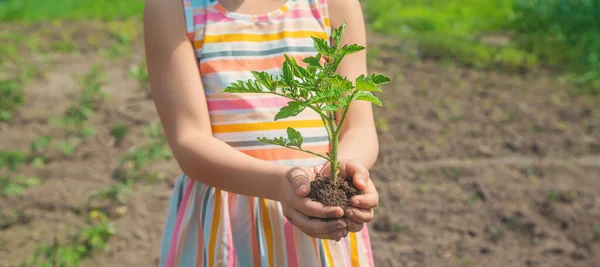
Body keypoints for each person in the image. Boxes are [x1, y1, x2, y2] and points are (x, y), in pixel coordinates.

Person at [143, 0, 380, 265]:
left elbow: (358, 127)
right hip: (228, 225)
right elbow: (189, 140)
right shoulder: (173, 7)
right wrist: (280, 185)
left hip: (321, 211)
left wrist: (348, 173)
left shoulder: (334, 4)